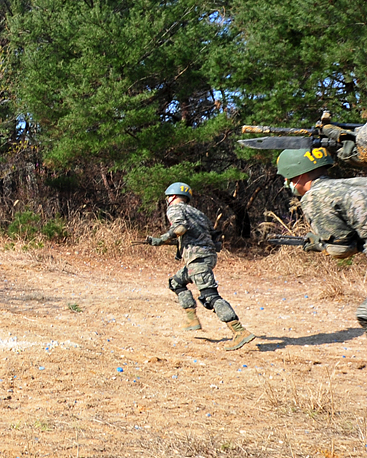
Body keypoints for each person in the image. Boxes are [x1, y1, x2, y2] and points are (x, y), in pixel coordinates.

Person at [147, 182, 256, 351]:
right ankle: (192, 320)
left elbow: (180, 228)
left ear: (173, 196)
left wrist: (162, 238)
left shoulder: (175, 209)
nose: (168, 200)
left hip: (197, 259)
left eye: (168, 197)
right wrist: (164, 241)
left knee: (210, 296)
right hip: (206, 257)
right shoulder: (198, 213)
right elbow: (202, 237)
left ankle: (239, 331)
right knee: (176, 283)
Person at [276, 146, 367, 328]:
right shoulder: (356, 183)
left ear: (299, 175)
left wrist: (320, 245)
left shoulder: (315, 196)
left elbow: (341, 249)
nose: (287, 183)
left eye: (288, 178)